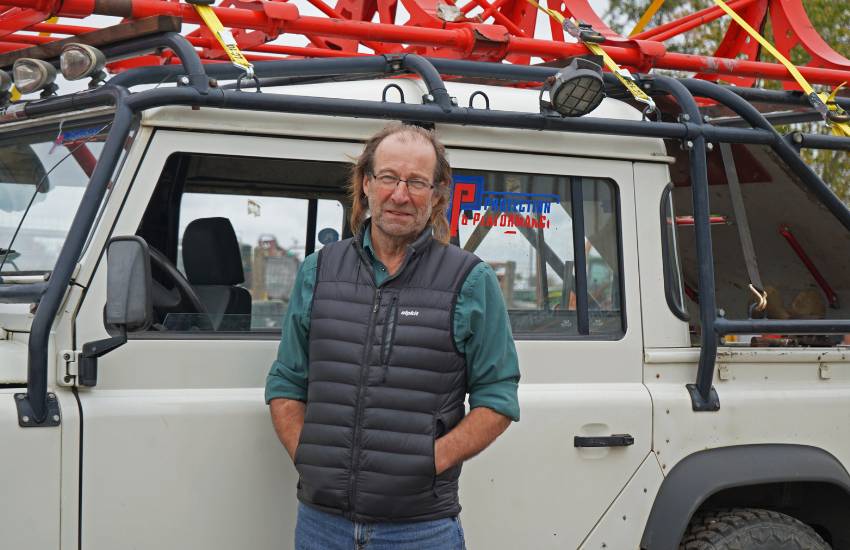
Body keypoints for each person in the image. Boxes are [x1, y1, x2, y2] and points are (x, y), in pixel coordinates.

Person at [266, 122, 520, 550]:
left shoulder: (470, 281)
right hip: (321, 525)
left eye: (416, 182)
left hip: (419, 530)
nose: (400, 195)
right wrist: (307, 458)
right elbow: (287, 381)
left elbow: (498, 399)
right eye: (388, 178)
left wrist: (430, 461)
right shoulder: (319, 270)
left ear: (437, 194)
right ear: (366, 183)